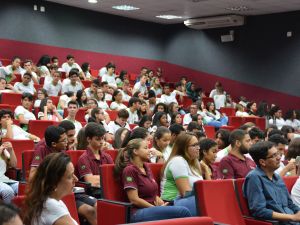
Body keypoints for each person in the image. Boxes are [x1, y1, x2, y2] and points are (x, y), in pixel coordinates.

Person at [29, 126, 97, 225]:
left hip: (69, 192)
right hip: (54, 190)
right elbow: (32, 176)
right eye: (64, 140)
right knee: (88, 210)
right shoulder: (42, 150)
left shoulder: (63, 152)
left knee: (98, 205)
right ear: (54, 144)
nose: (68, 142)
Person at [114, 139, 191, 222]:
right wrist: (156, 208)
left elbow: (150, 191)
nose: (149, 150)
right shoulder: (129, 170)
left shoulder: (146, 167)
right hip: (137, 212)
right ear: (135, 151)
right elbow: (134, 199)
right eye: (146, 148)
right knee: (183, 212)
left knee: (187, 205)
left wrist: (158, 200)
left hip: (152, 208)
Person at [243, 141, 300, 224]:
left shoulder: (277, 177)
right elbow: (259, 211)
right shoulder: (254, 177)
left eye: (278, 154)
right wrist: (293, 217)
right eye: (274, 156)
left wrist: (298, 212)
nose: (279, 158)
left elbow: (290, 204)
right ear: (262, 162)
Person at [24, 153, 79, 225]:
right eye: (70, 176)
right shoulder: (51, 205)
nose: (76, 179)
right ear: (54, 183)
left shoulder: (54, 201)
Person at [161, 132, 203, 216]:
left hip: (189, 201)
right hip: (172, 203)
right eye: (194, 145)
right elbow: (185, 193)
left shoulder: (194, 163)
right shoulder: (178, 161)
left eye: (198, 144)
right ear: (184, 148)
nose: (198, 148)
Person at [77, 123, 113, 188]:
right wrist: (108, 177)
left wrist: (98, 178)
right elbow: (90, 181)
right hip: (94, 193)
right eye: (98, 139)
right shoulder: (83, 158)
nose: (102, 141)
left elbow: (114, 177)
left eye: (103, 138)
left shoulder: (107, 156)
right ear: (88, 139)